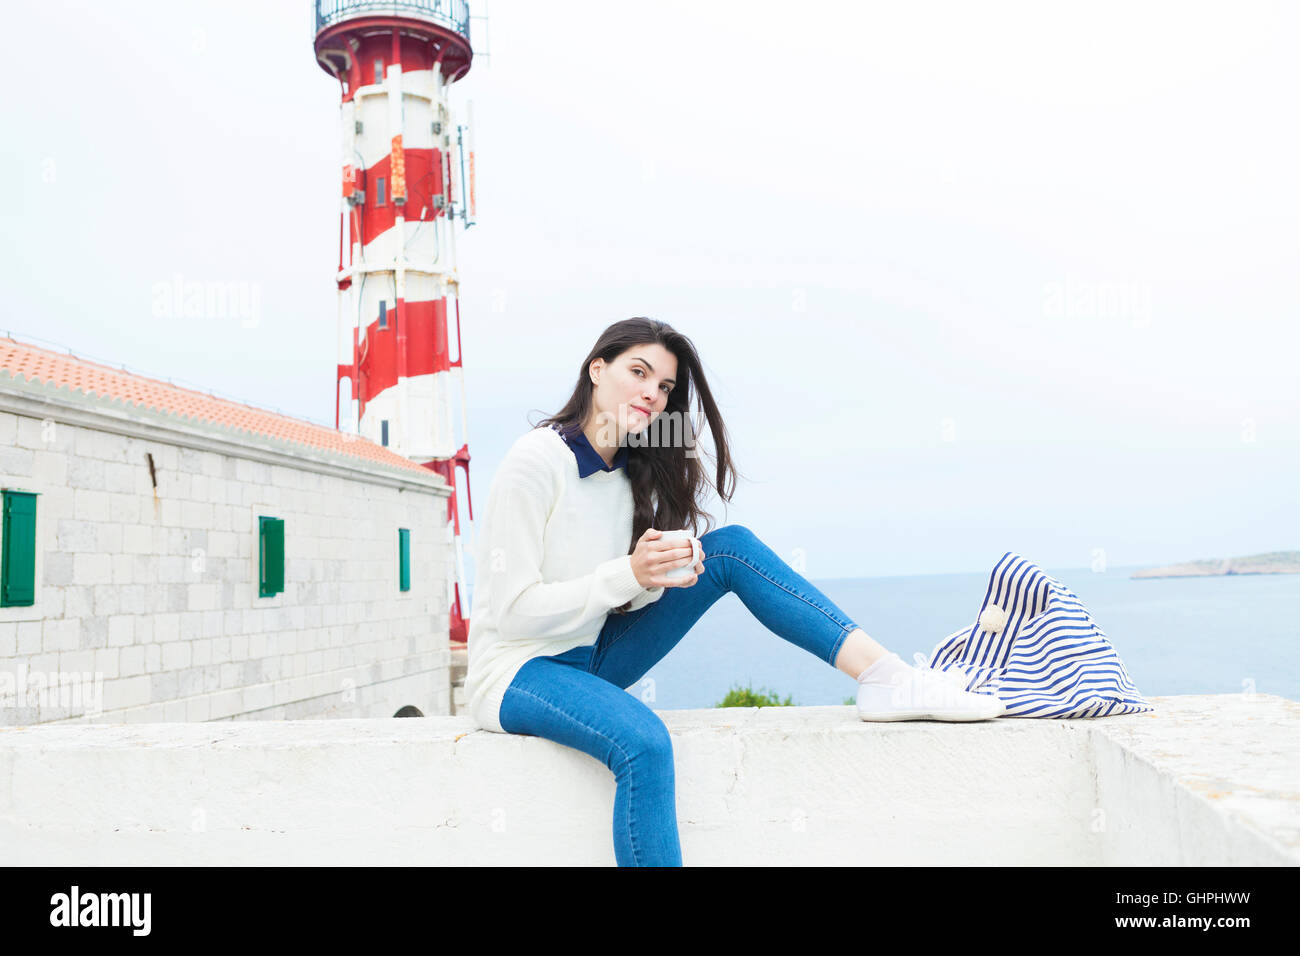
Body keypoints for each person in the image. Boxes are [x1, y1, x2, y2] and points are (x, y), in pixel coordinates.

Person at [463, 317, 1004, 866]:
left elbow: (618, 591)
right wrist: (629, 572)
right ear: (596, 369)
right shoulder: (536, 461)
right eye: (639, 372)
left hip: (591, 654)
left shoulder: (628, 472)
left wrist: (660, 577)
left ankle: (888, 678)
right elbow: (514, 615)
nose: (652, 393)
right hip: (517, 670)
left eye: (666, 386)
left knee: (729, 549)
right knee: (644, 746)